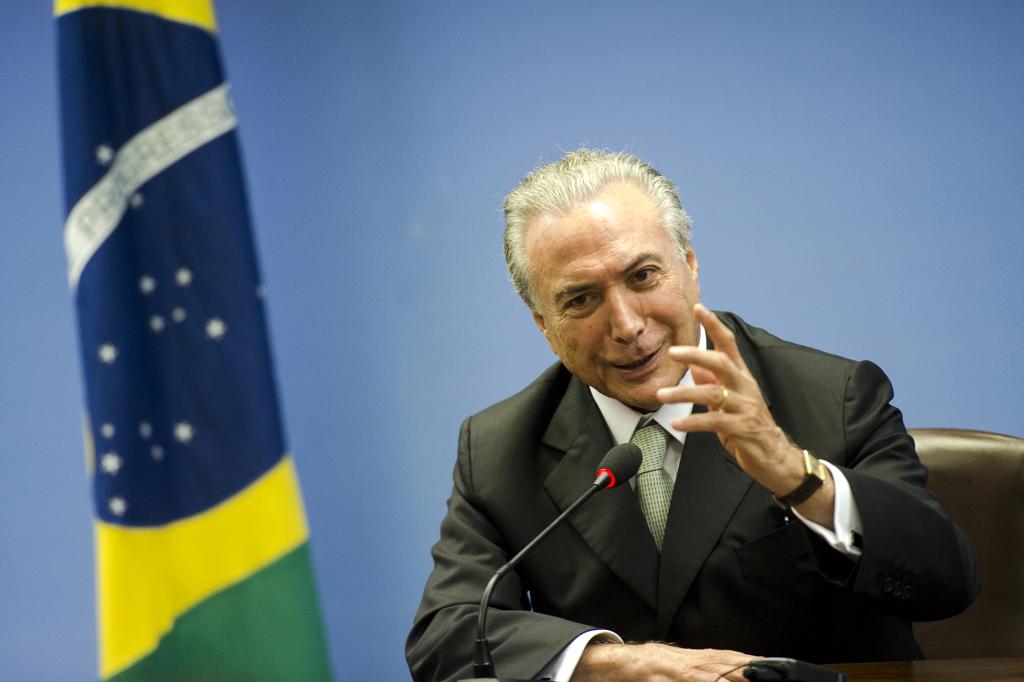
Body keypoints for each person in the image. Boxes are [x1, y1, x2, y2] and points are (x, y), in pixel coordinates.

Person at [406, 149, 980, 682]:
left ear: (689, 265)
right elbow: (447, 635)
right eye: (581, 298)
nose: (627, 325)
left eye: (642, 276)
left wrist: (797, 477)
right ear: (541, 322)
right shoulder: (498, 447)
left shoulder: (834, 396)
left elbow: (947, 584)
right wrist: (615, 664)